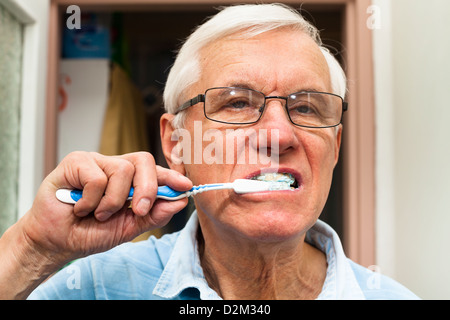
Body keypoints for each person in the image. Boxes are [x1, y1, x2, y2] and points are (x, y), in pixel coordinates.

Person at [0, 3, 418, 300]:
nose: (278, 134)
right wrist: (31, 249)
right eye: (237, 102)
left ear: (336, 147)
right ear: (175, 144)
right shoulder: (96, 288)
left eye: (307, 107)